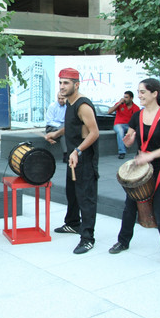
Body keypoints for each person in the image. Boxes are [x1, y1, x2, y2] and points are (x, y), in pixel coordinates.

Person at [108, 79, 160, 266]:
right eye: (138, 92)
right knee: (130, 206)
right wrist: (128, 140)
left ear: (154, 94)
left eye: (142, 92)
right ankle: (123, 241)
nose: (139, 95)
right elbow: (130, 139)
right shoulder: (137, 116)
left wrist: (151, 155)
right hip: (141, 169)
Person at [45, 68, 100, 254]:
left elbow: (94, 133)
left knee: (86, 198)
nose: (62, 86)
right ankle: (73, 223)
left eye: (66, 82)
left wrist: (77, 150)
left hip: (84, 158)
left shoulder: (83, 105)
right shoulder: (69, 103)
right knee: (72, 194)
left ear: (76, 84)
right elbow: (71, 126)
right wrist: (56, 133)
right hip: (73, 157)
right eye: (60, 82)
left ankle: (87, 238)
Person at [108, 91, 140, 159]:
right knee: (120, 131)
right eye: (124, 97)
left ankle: (140, 151)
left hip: (129, 126)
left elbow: (137, 120)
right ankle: (122, 152)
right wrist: (119, 103)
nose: (124, 99)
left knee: (139, 131)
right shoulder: (120, 105)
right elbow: (109, 111)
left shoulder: (136, 107)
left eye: (126, 97)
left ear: (131, 98)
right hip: (118, 125)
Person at [45, 93, 68, 163]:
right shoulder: (52, 106)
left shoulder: (68, 106)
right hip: (52, 127)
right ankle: (66, 155)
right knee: (63, 132)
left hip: (63, 126)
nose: (61, 100)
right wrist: (60, 127)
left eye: (62, 98)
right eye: (59, 98)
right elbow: (49, 121)